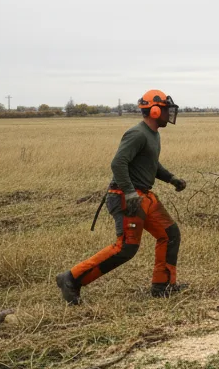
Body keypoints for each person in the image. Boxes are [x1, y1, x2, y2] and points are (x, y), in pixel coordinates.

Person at [55, 89, 188, 304]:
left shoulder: (153, 134)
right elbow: (118, 163)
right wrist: (129, 192)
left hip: (143, 196)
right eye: (166, 110)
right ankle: (71, 279)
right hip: (126, 197)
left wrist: (172, 179)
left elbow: (151, 164)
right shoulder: (137, 134)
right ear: (155, 111)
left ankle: (162, 286)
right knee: (126, 248)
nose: (169, 114)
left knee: (170, 234)